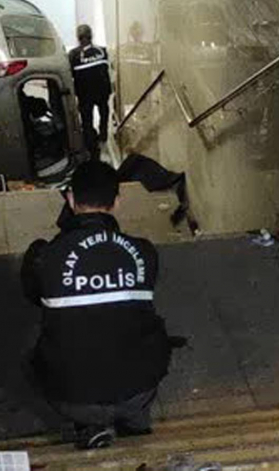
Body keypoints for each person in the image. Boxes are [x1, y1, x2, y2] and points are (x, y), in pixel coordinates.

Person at [21, 161, 171, 449]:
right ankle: (136, 427)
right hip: (138, 389)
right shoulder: (144, 252)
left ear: (71, 199)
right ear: (116, 202)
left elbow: (32, 295)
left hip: (71, 397)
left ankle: (89, 426)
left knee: (34, 358)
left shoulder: (43, 257)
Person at [68, 24, 113, 153]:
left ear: (78, 37)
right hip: (102, 91)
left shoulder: (73, 55)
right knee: (104, 112)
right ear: (91, 35)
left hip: (85, 94)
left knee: (87, 120)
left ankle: (91, 142)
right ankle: (103, 135)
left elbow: (70, 74)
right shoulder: (102, 51)